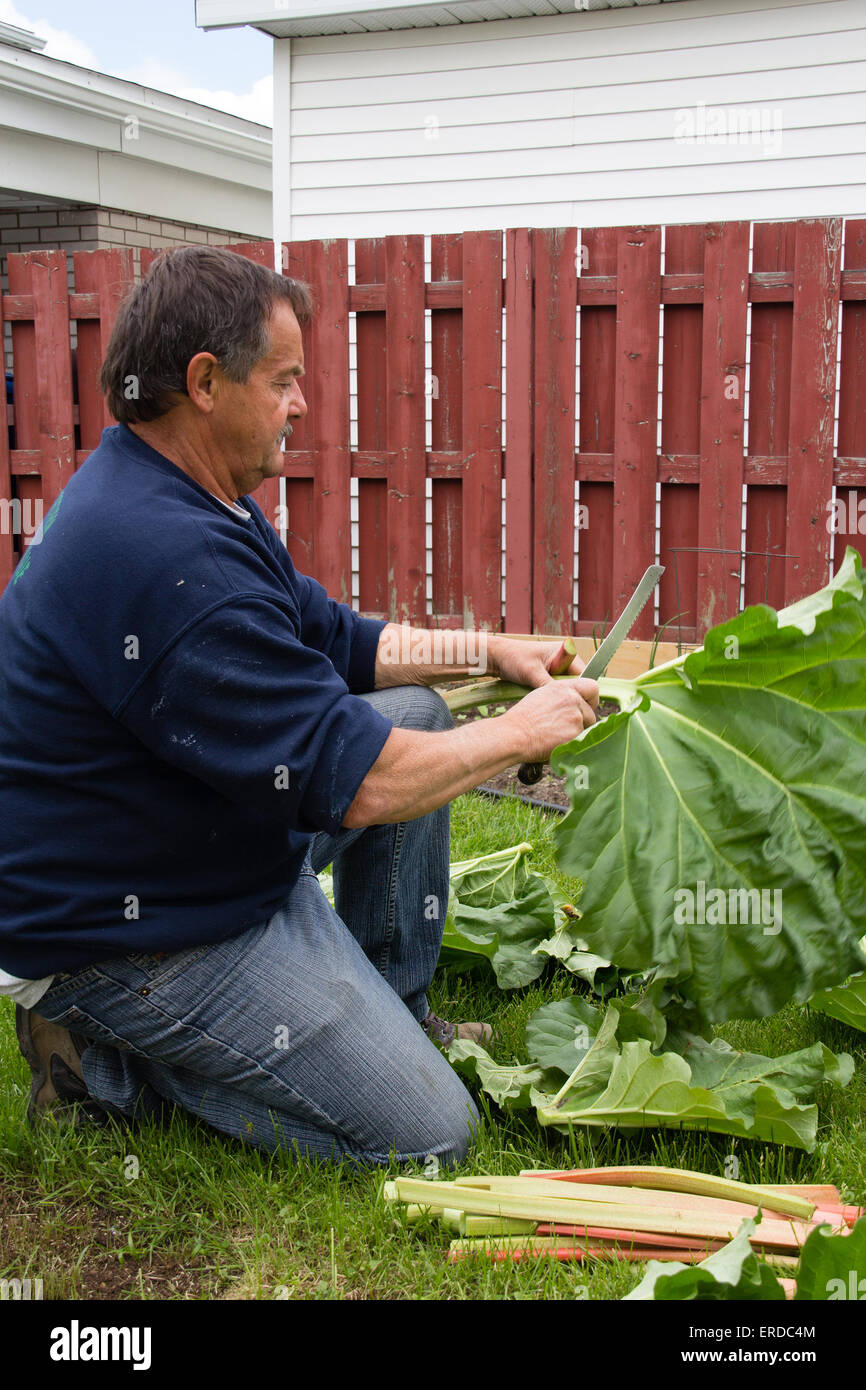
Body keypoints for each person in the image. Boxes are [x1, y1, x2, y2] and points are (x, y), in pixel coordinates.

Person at [0, 247, 598, 1167]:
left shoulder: (192, 495)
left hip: (197, 843)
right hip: (123, 928)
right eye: (284, 379)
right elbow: (355, 779)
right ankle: (107, 1059)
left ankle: (392, 1006)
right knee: (431, 1134)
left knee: (419, 712)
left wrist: (482, 651)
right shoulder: (165, 562)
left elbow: (335, 638)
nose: (303, 403)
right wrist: (521, 732)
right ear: (206, 381)